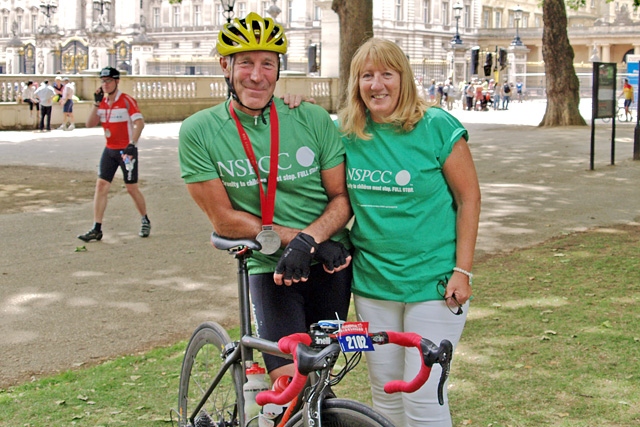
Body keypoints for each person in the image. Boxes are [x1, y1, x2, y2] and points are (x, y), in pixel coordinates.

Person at [178, 12, 353, 383]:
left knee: (322, 379)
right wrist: (299, 241)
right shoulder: (200, 131)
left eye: (267, 64)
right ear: (225, 66)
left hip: (330, 261)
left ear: (278, 70)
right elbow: (223, 218)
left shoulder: (311, 118)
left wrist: (312, 240)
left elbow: (341, 197)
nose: (256, 75)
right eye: (245, 63)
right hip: (270, 266)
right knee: (290, 383)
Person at [336, 38, 481, 427]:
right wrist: (294, 104)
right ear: (356, 83)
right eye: (367, 75)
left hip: (434, 284)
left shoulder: (437, 127)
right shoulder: (348, 132)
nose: (377, 84)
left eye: (387, 73)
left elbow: (469, 199)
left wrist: (462, 271)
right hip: (372, 285)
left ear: (405, 78)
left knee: (422, 396)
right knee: (384, 391)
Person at [78, 67, 150, 242]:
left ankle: (144, 219)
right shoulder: (102, 103)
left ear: (117, 81)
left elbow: (139, 123)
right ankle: (97, 228)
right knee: (101, 186)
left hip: (126, 152)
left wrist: (132, 144)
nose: (105, 84)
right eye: (103, 81)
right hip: (109, 149)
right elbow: (89, 124)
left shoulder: (126, 101)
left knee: (131, 188)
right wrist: (96, 104)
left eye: (109, 81)